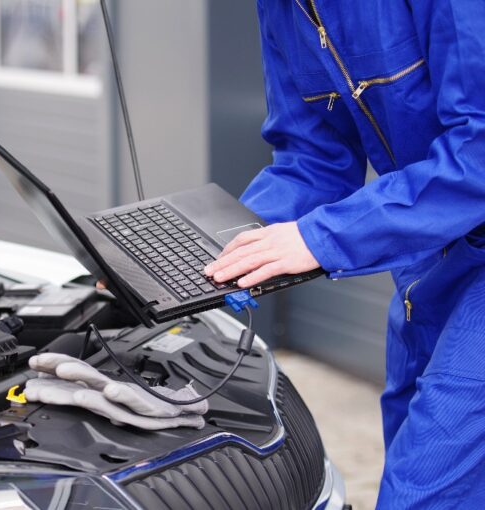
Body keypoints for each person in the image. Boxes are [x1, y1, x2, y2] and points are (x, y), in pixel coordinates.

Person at [203, 1, 485, 507]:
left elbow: (479, 152)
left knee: (422, 487)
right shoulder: (282, 10)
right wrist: (207, 253)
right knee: (411, 438)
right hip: (428, 261)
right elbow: (314, 160)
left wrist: (322, 238)